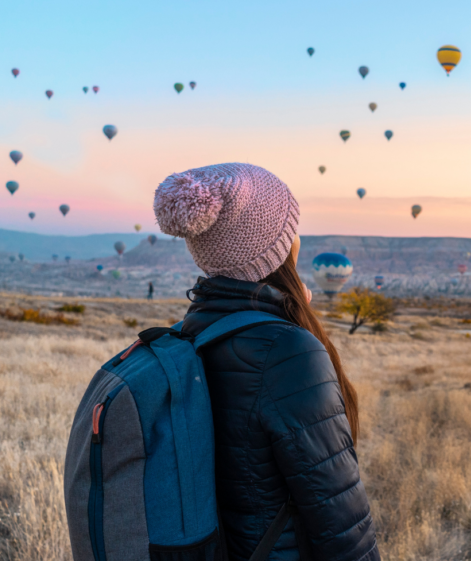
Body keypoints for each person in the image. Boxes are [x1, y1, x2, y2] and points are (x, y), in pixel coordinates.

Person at [153, 163, 379, 561]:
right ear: (277, 245)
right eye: (291, 229)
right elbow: (339, 516)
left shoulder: (193, 331)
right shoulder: (286, 350)